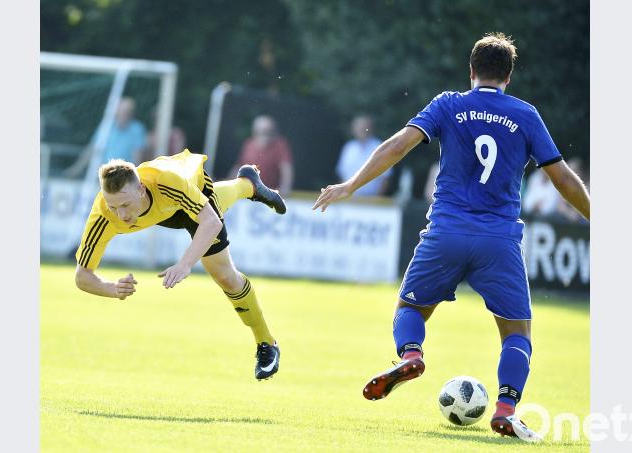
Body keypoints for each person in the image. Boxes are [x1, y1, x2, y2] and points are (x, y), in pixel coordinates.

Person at [313, 32, 590, 442]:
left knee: (409, 308)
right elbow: (562, 178)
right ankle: (506, 410)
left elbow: (398, 145)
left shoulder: (449, 104)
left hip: (446, 232)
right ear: (508, 77)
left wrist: (351, 185)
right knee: (517, 334)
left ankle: (411, 355)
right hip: (499, 239)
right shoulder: (526, 114)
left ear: (471, 71)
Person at [74, 149, 287, 380]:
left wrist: (185, 264)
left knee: (225, 277)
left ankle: (266, 343)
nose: (121, 214)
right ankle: (249, 183)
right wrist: (112, 289)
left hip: (191, 189)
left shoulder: (168, 182)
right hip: (165, 209)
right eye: (113, 206)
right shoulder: (104, 214)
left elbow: (211, 222)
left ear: (141, 189)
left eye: (125, 204)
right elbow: (82, 276)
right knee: (186, 210)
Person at [65, 97, 147, 178]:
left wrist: (134, 178)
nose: (124, 114)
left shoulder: (137, 129)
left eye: (127, 112)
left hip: (124, 177)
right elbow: (92, 148)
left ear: (132, 114)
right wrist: (76, 169)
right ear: (116, 112)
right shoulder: (107, 126)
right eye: (122, 111)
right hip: (103, 174)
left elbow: (138, 156)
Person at [230, 115, 294, 196]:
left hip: (272, 194)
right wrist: (231, 183)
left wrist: (285, 188)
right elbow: (239, 166)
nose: (265, 135)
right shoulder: (248, 144)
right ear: (255, 132)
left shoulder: (280, 145)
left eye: (269, 131)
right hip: (249, 192)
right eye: (262, 131)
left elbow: (286, 168)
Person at [336, 115, 391, 197]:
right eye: (359, 127)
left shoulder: (379, 147)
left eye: (364, 127)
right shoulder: (349, 148)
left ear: (370, 128)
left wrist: (377, 200)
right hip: (349, 199)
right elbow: (342, 174)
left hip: (372, 201)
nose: (362, 129)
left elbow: (385, 177)